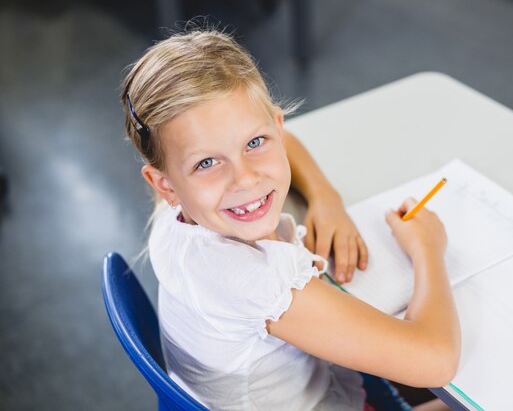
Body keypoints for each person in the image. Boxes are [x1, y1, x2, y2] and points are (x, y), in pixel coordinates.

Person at [121, 29, 460, 411]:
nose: (246, 178)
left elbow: (287, 143)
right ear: (164, 184)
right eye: (207, 163)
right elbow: (435, 361)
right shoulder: (257, 282)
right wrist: (428, 248)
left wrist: (326, 199)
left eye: (254, 143)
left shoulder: (175, 207)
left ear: (275, 129)